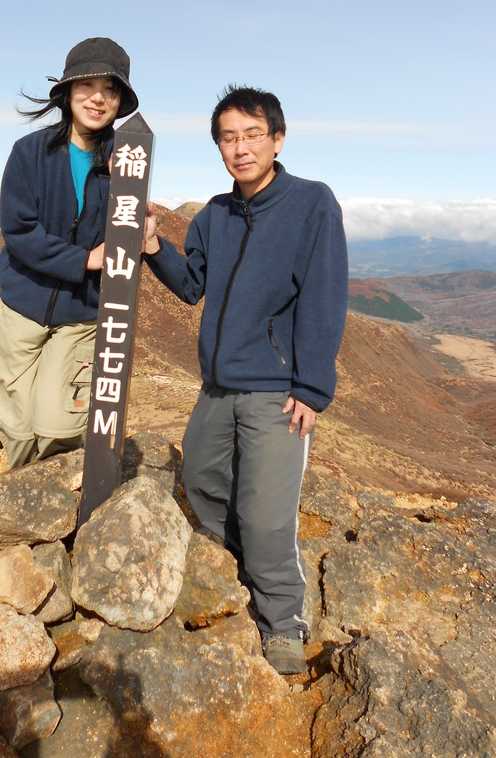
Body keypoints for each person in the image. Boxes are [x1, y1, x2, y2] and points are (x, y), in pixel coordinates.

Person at [142, 85, 348, 674]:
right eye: (229, 138)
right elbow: (190, 285)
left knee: (266, 513)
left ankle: (283, 621)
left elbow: (324, 295)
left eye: (252, 134)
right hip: (216, 387)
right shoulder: (215, 215)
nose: (241, 147)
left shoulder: (311, 204)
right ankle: (239, 572)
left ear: (277, 139)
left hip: (275, 392)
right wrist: (156, 246)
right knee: (202, 482)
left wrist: (311, 389)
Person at [0, 37, 139, 470]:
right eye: (87, 85)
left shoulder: (126, 164)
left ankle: (56, 489)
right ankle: (24, 490)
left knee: (60, 420)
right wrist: (83, 260)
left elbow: (126, 233)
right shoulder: (31, 153)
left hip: (82, 313)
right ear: (68, 92)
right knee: (13, 416)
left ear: (120, 100)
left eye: (110, 89)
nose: (98, 98)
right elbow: (18, 230)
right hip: (24, 303)